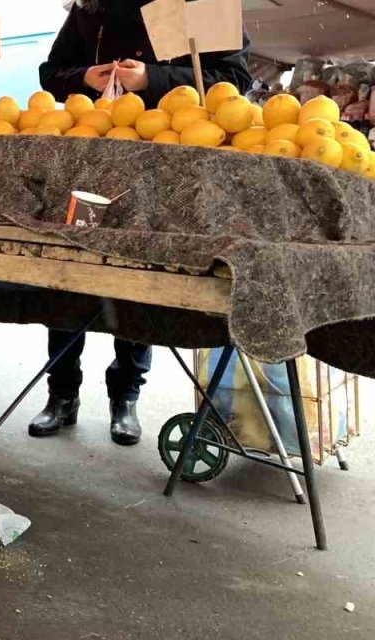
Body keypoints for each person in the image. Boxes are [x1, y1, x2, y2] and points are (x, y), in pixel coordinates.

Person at [31, 0, 251, 446]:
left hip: (158, 169)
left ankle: (126, 398)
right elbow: (51, 72)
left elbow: (235, 80)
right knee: (70, 272)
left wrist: (153, 79)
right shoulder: (88, 9)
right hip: (87, 160)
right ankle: (61, 393)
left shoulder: (202, 6)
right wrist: (82, 78)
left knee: (137, 275)